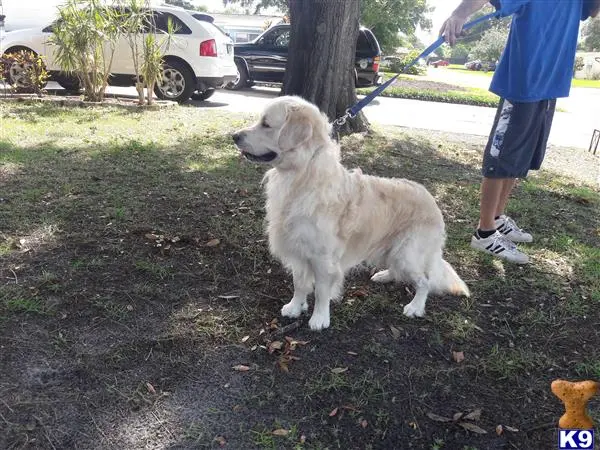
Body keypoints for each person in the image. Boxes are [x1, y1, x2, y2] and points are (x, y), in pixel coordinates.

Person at [440, 0, 600, 264]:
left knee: (519, 158)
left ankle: (498, 218)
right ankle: (484, 232)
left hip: (550, 84)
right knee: (501, 159)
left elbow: (592, 11)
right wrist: (459, 13)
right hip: (522, 83)